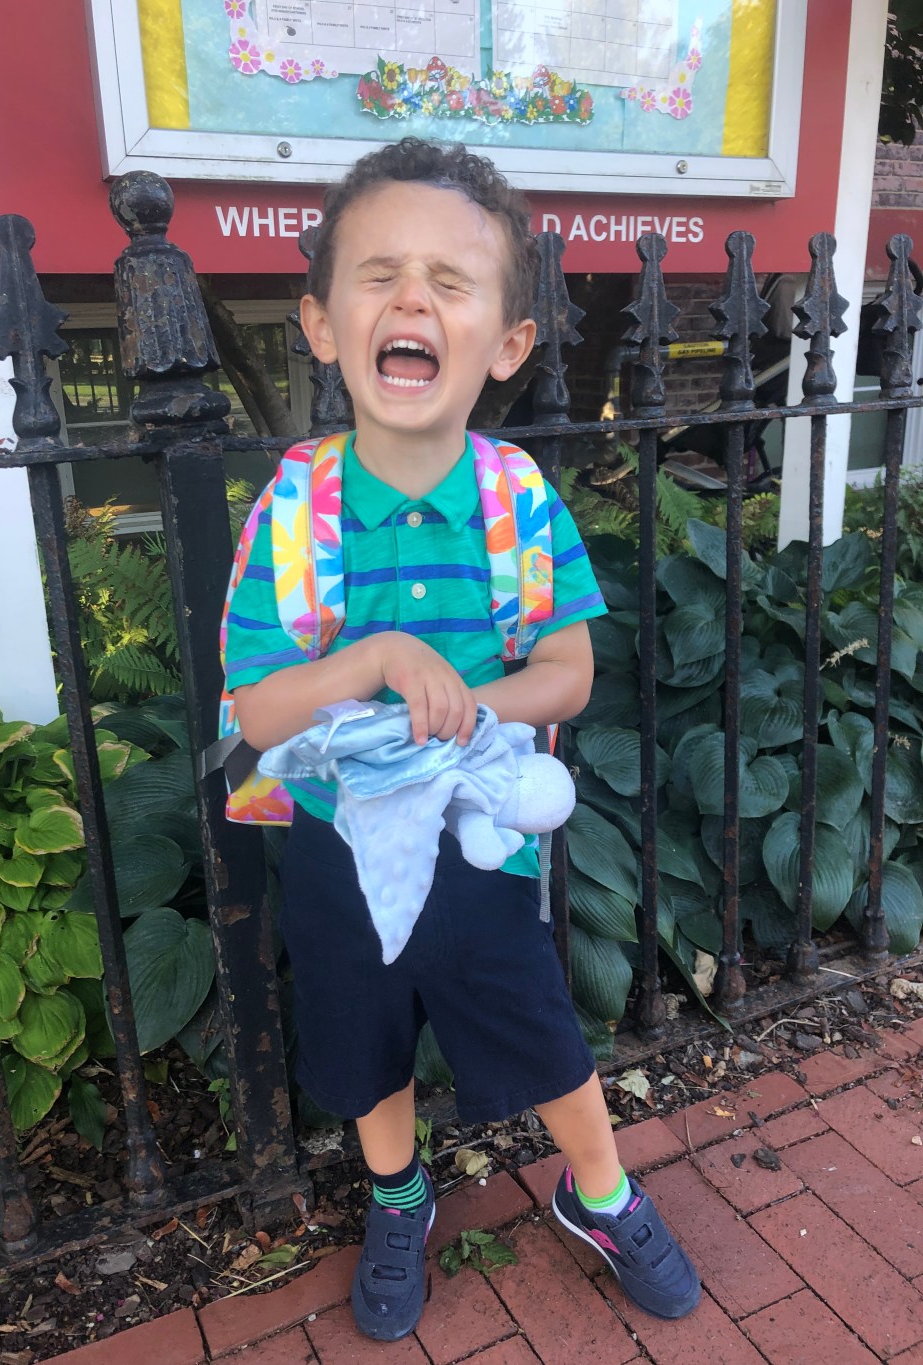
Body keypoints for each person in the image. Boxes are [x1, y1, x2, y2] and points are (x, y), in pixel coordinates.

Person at [224, 136, 700, 1340]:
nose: (412, 299)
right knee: (362, 1034)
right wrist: (378, 658)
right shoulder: (293, 511)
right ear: (321, 324)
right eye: (378, 274)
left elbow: (569, 675)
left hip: (482, 841)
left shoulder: (516, 502)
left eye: (450, 280)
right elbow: (258, 713)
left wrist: (474, 709)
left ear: (507, 344)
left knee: (537, 1022)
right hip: (339, 847)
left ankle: (600, 1191)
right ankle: (399, 1193)